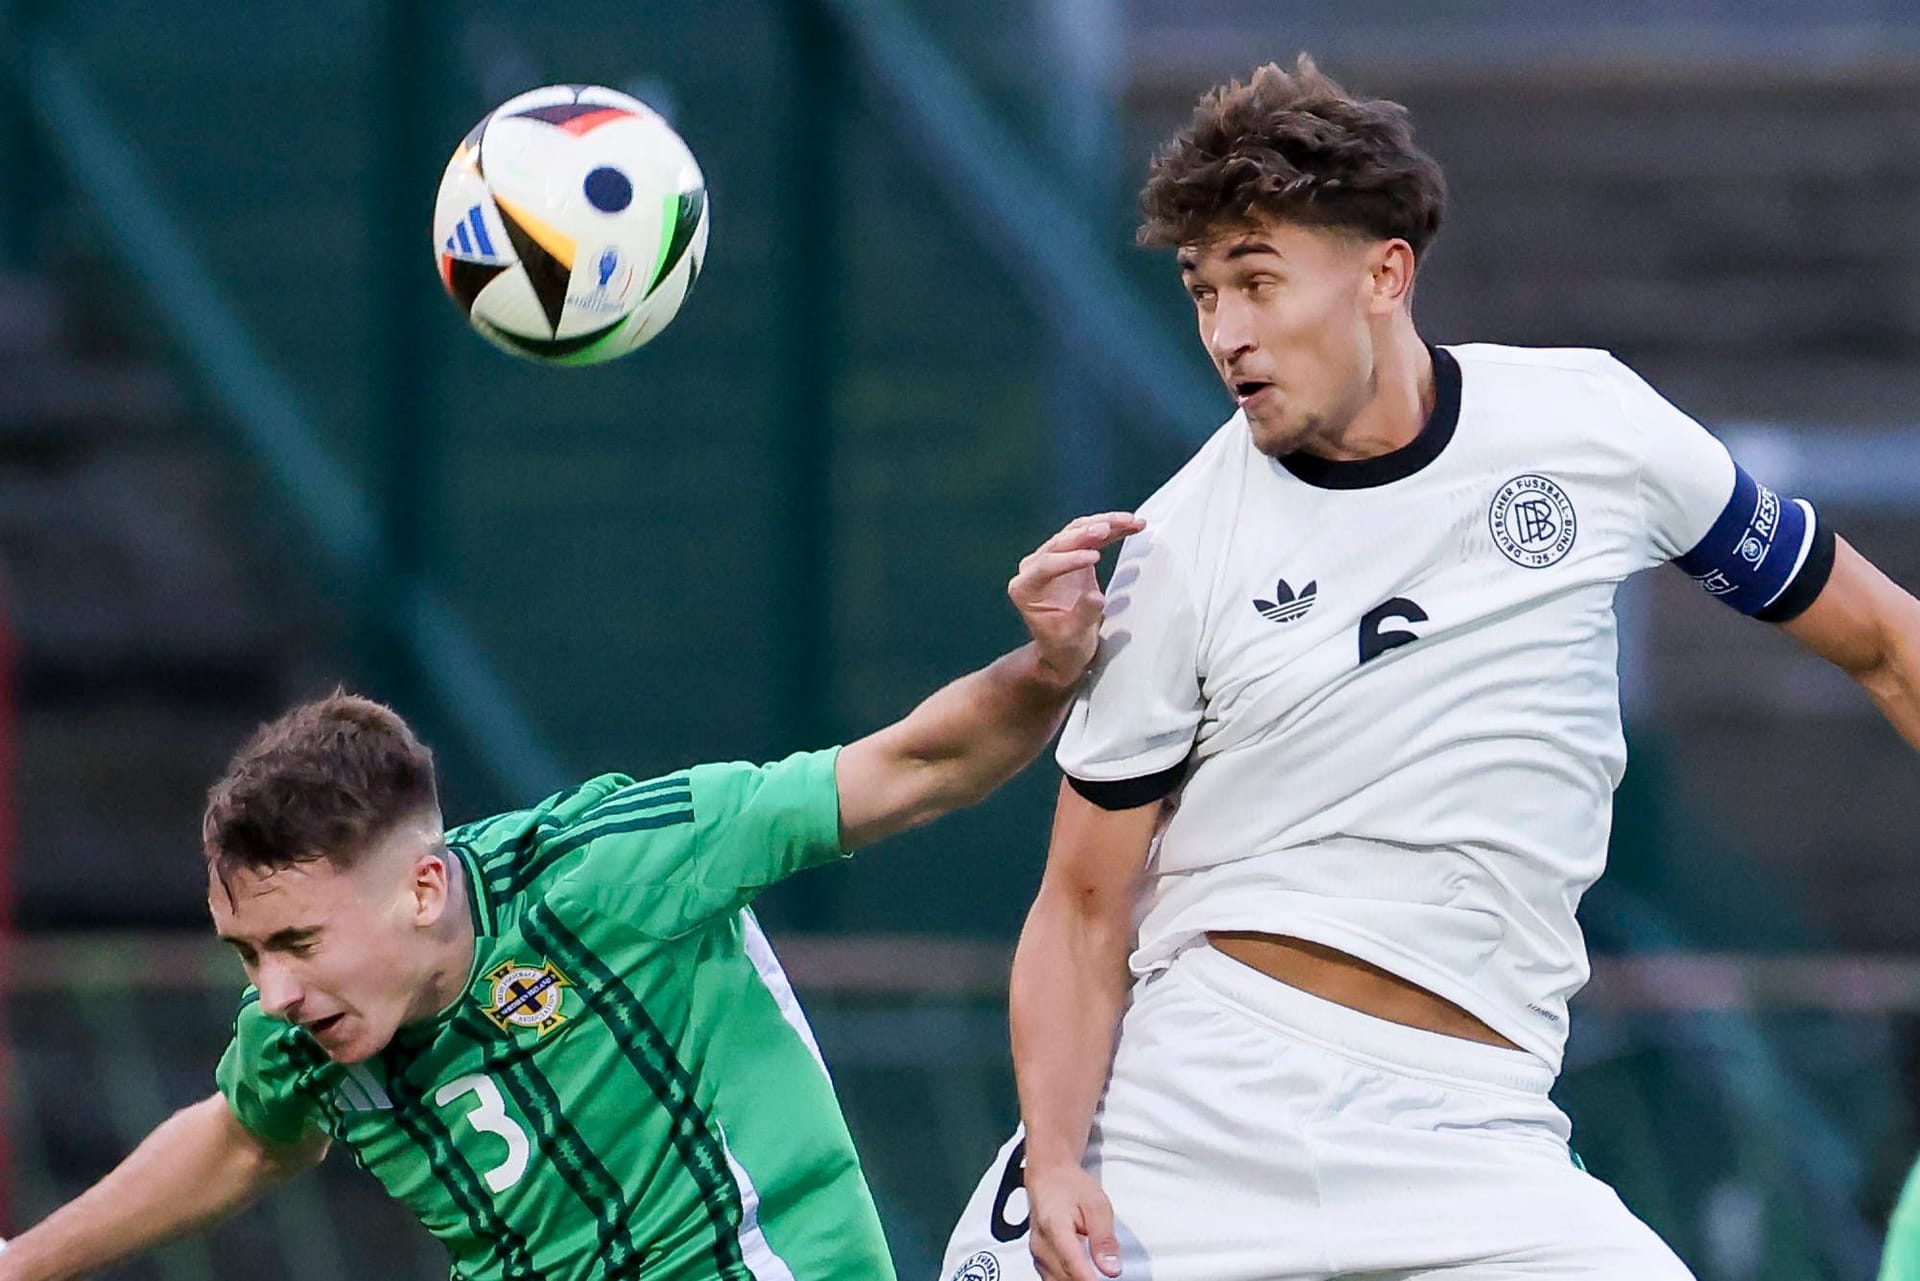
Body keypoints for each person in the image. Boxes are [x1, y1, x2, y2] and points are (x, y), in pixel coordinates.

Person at [941, 56, 1920, 1281]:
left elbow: (1884, 639)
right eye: (1201, 293)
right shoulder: (1173, 549)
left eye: (1257, 281)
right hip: (1201, 1106)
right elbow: (1081, 912)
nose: (1226, 333)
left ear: (1385, 275)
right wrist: (1058, 1159)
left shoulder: (1591, 427)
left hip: (1475, 1131)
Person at [0, 510, 1143, 1281]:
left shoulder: (612, 874)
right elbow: (243, 1142)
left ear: (423, 886)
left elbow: (912, 766)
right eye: (248, 954)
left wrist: (1044, 668)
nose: (277, 991)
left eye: (297, 940)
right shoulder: (301, 1040)